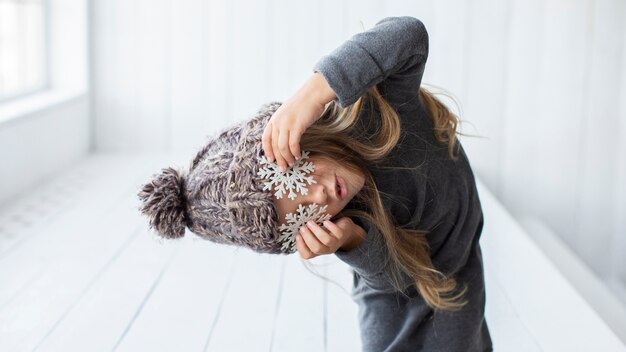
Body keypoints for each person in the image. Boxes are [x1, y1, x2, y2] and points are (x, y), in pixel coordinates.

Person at [137, 15, 492, 351]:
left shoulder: (380, 115)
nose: (319, 197)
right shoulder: (354, 222)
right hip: (414, 286)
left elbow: (409, 34)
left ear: (298, 136)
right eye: (303, 215)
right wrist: (354, 242)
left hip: (456, 252)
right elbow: (401, 281)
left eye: (296, 176)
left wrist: (315, 90)